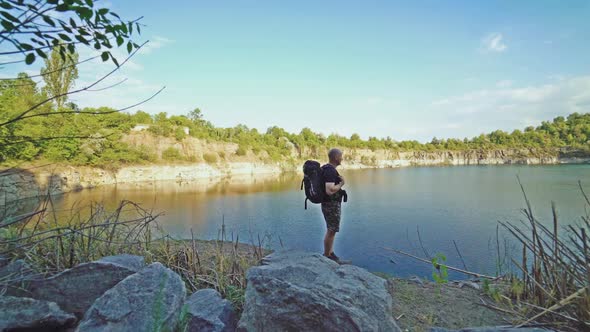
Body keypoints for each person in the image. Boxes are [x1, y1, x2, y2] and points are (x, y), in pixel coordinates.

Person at [321, 148, 345, 263]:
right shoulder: (330, 171)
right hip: (331, 204)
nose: (342, 158)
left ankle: (330, 253)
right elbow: (330, 190)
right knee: (331, 230)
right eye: (341, 156)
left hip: (330, 204)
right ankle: (327, 256)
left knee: (332, 230)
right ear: (336, 158)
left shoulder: (327, 169)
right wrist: (341, 184)